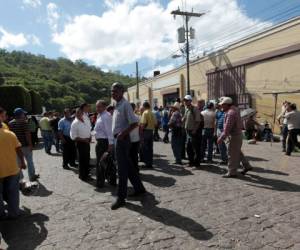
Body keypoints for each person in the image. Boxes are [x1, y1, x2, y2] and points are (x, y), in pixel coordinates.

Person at [111, 82, 146, 210]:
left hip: (122, 140)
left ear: (122, 92)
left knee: (122, 170)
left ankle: (121, 198)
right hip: (118, 139)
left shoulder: (125, 105)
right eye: (112, 91)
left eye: (115, 91)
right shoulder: (116, 105)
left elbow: (135, 123)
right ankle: (139, 188)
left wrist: (122, 134)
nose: (113, 93)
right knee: (129, 166)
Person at [217, 97, 252, 177]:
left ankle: (232, 172)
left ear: (226, 104)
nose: (221, 107)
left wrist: (221, 138)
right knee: (237, 152)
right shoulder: (234, 109)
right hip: (237, 135)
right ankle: (247, 166)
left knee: (231, 154)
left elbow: (227, 129)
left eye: (222, 105)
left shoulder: (230, 113)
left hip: (234, 136)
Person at [0, 118, 26, 219]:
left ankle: (1, 214)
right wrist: (23, 162)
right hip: (12, 169)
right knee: (13, 193)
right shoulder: (10, 134)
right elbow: (18, 149)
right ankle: (14, 213)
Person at [9, 108, 39, 182]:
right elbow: (27, 134)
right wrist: (31, 145)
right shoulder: (24, 122)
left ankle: (21, 179)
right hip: (25, 145)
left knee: (18, 163)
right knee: (29, 161)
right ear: (21, 114)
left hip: (16, 147)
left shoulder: (10, 123)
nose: (24, 115)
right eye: (23, 114)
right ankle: (32, 176)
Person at [94, 100, 114, 186]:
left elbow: (109, 131)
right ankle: (111, 180)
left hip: (104, 142)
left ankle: (100, 182)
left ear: (104, 107)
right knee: (107, 162)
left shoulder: (106, 116)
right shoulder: (100, 115)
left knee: (101, 162)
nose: (97, 108)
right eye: (96, 106)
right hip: (101, 142)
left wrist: (110, 144)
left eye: (99, 106)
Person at [70, 108, 92, 181]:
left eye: (81, 113)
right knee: (82, 160)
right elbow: (73, 137)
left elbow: (89, 128)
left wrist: (90, 136)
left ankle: (86, 174)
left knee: (87, 159)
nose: (79, 114)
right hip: (81, 143)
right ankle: (83, 176)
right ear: (75, 114)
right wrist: (84, 140)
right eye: (78, 113)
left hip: (87, 142)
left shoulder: (84, 119)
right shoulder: (74, 123)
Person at [182, 95, 203, 167]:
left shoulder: (195, 109)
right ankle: (191, 162)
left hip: (194, 132)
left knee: (196, 148)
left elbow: (198, 121)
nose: (185, 102)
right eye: (184, 100)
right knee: (188, 148)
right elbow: (184, 118)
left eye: (186, 100)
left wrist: (194, 130)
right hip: (188, 131)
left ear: (190, 101)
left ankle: (197, 163)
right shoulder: (187, 108)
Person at [140, 101, 157, 168]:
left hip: (145, 131)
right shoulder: (152, 113)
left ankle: (147, 163)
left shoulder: (145, 113)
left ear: (144, 106)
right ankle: (150, 163)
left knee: (145, 148)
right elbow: (156, 123)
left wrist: (141, 132)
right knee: (150, 148)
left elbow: (143, 123)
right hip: (151, 131)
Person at [129, 103, 141, 174]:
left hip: (129, 139)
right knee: (135, 155)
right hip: (136, 139)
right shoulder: (137, 116)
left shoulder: (127, 117)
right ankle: (135, 169)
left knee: (129, 155)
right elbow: (140, 129)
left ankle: (131, 170)